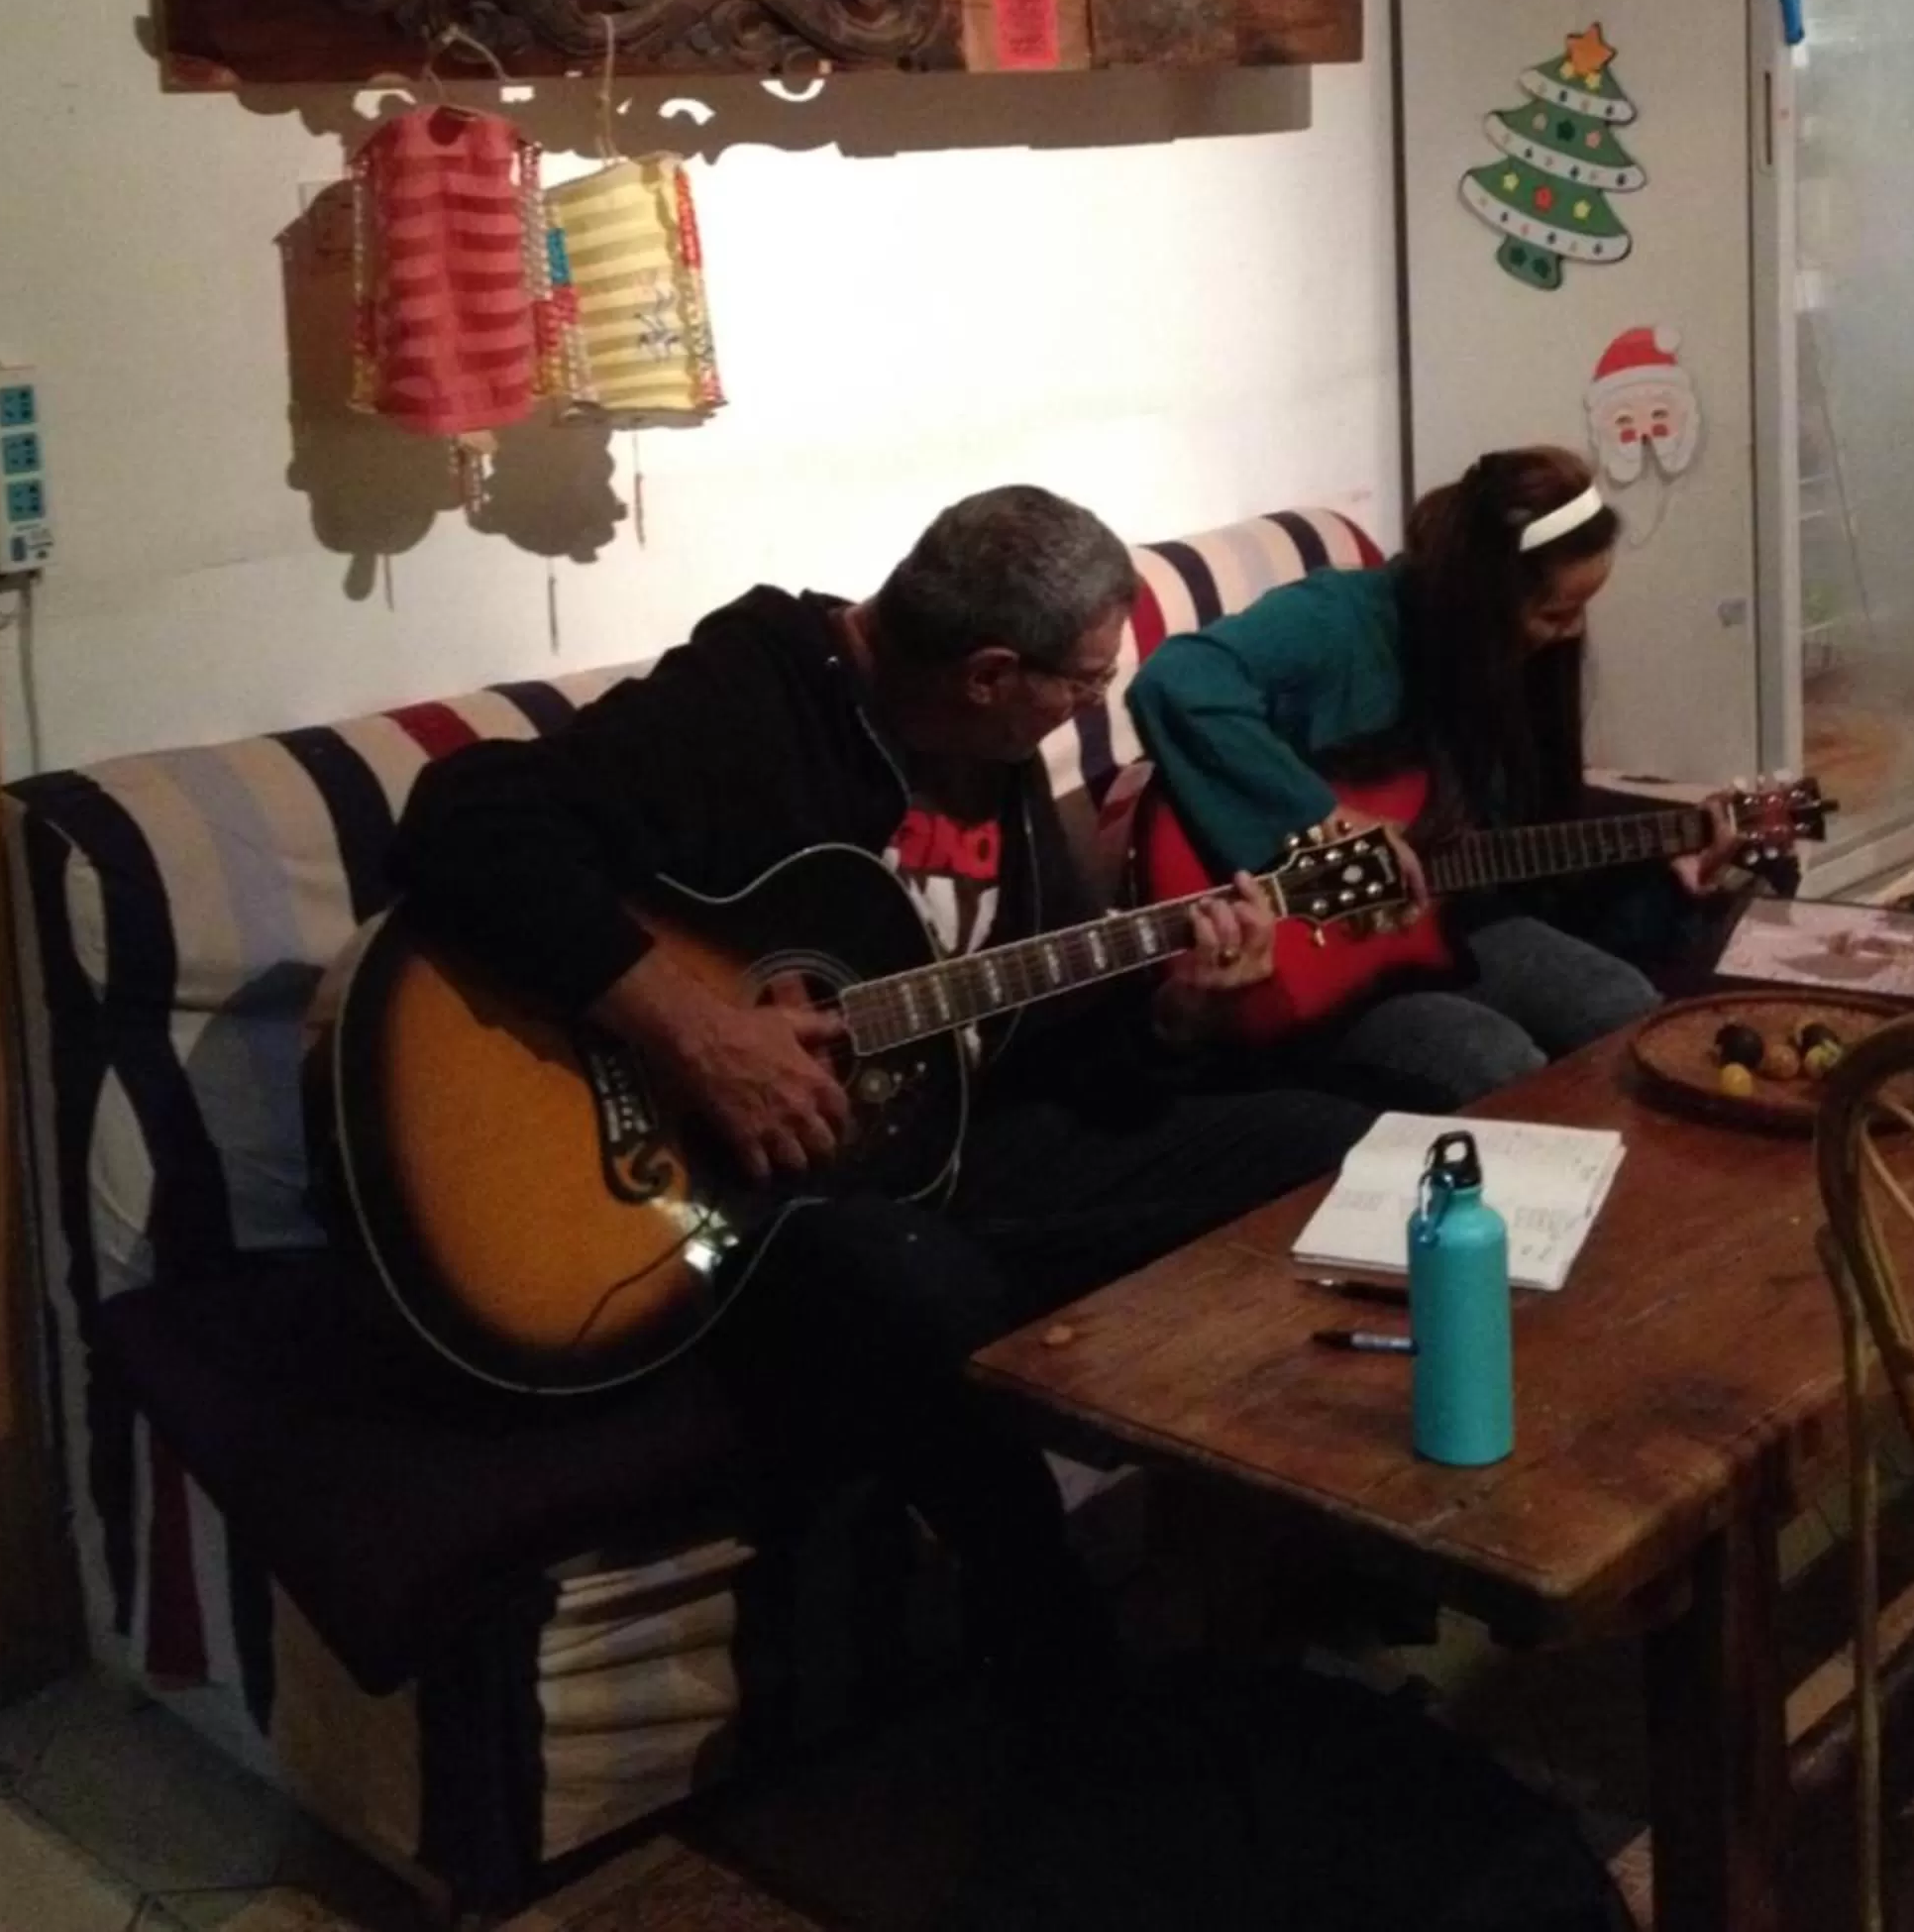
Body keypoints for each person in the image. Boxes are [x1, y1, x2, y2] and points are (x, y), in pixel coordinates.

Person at [385, 483, 1368, 1710]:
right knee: (915, 1282)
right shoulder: (753, 695)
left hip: (943, 1150)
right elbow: (466, 819)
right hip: (736, 1203)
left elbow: (1037, 1040)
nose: (1091, 709)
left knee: (1330, 1151)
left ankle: (1280, 1555)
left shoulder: (996, 759)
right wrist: (691, 1029)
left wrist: (1176, 1011)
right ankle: (1065, 1675)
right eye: (1082, 681)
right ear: (989, 672)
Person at [1127, 445, 1736, 1112]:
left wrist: (1663, 857)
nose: (1572, 634)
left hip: (1448, 913)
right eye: (1557, 613)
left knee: (1626, 1010)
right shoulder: (1337, 620)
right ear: (1482, 596)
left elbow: (1519, 834)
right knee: (1500, 1064)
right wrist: (1318, 816)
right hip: (1317, 954)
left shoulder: (1505, 661)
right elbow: (1176, 680)